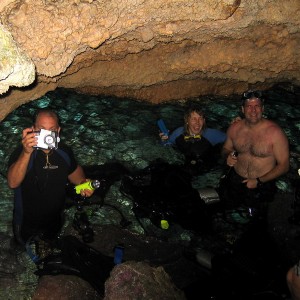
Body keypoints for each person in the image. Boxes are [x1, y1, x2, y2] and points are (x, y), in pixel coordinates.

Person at [7, 108, 95, 250]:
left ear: (58, 131)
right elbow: (12, 182)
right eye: (42, 129)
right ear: (33, 129)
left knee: (50, 245)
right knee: (20, 247)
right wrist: (26, 152)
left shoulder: (64, 151)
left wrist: (83, 183)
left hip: (54, 218)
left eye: (52, 129)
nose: (47, 134)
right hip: (25, 221)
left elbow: (75, 171)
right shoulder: (21, 153)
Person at [219, 90, 290, 225]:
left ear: (262, 108)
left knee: (258, 222)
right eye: (249, 106)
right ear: (242, 109)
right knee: (225, 215)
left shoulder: (275, 133)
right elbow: (225, 148)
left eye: (257, 106)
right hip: (236, 178)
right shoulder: (235, 128)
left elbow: (284, 165)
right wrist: (227, 156)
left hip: (262, 184)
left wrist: (259, 180)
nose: (253, 110)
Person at [159, 106, 227, 175]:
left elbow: (231, 139)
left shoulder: (211, 134)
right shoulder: (178, 133)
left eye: (200, 119)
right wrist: (163, 140)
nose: (197, 122)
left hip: (207, 172)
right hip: (183, 168)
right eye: (193, 119)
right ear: (187, 121)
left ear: (204, 121)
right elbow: (166, 146)